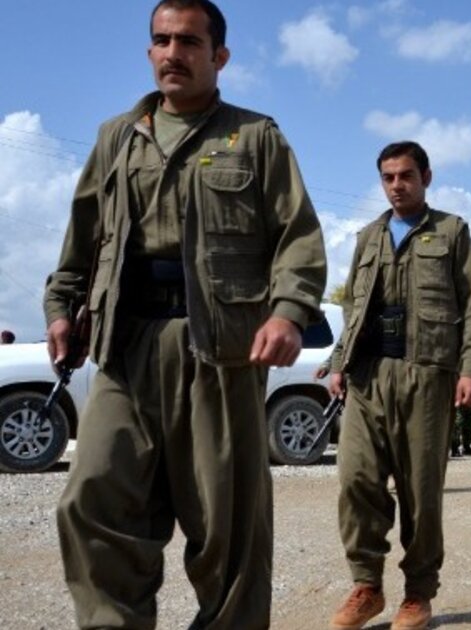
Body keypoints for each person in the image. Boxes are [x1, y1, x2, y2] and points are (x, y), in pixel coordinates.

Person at [45, 2, 328, 627]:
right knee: (92, 501)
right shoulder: (117, 136)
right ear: (150, 51)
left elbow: (298, 237)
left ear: (219, 56)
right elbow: (83, 237)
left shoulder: (255, 137)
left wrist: (287, 312)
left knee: (227, 524)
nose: (174, 52)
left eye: (190, 42)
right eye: (162, 40)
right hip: (125, 344)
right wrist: (61, 306)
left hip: (221, 348)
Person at [326, 141, 471, 630]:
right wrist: (339, 362)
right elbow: (353, 307)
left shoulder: (451, 231)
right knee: (356, 479)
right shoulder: (368, 236)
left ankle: (418, 593)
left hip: (426, 374)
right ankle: (366, 585)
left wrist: (470, 370)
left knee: (421, 490)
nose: (397, 185)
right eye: (388, 177)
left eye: (406, 176)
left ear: (426, 178)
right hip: (369, 375)